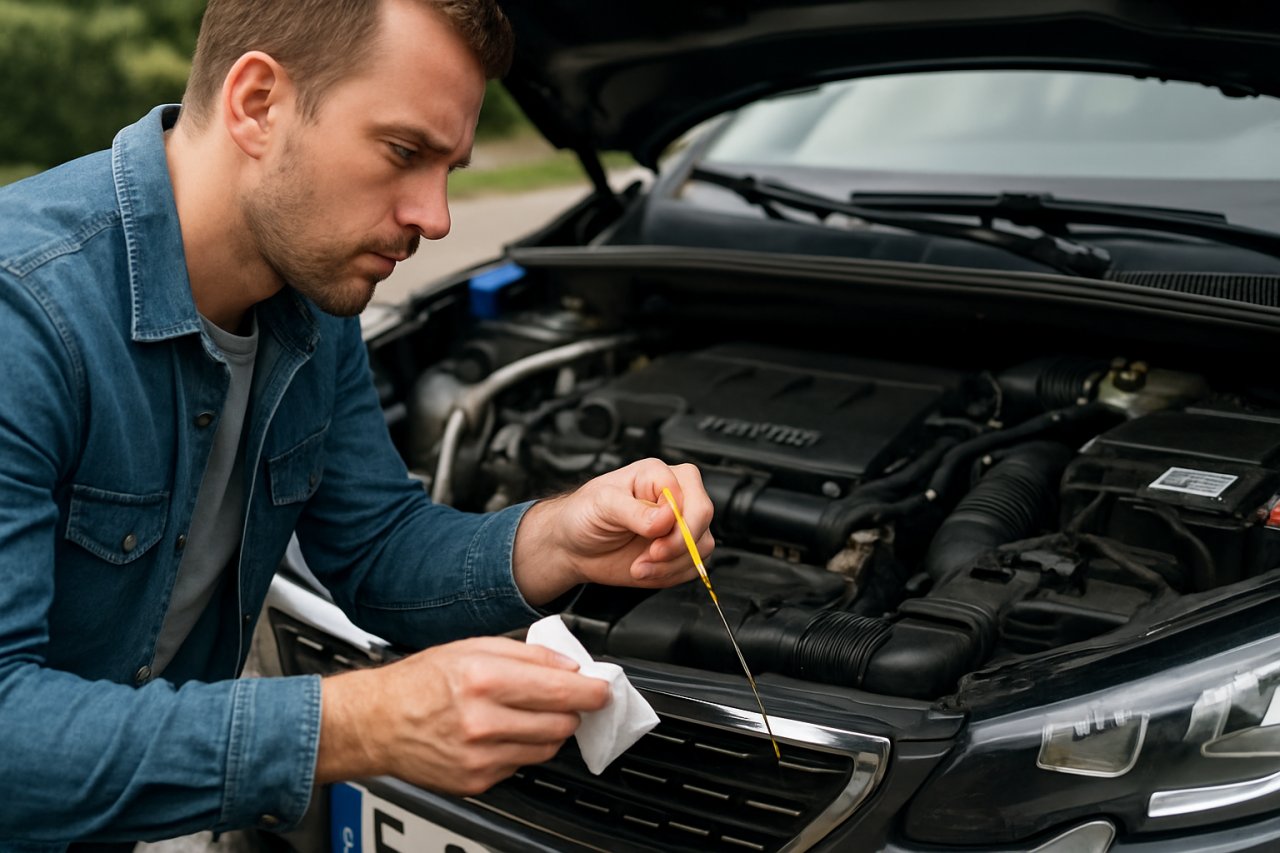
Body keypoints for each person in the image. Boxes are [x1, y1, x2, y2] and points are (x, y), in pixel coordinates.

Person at [0, 0, 714, 848]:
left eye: (450, 168)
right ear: (257, 103)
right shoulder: (26, 313)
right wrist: (357, 724)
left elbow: (374, 545)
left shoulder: (307, 295)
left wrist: (562, 535)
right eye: (405, 152)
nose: (436, 216)